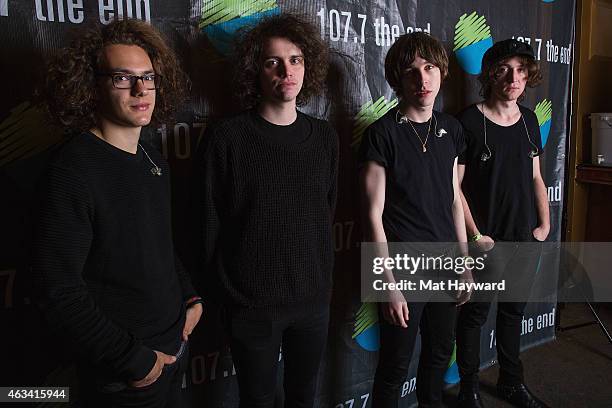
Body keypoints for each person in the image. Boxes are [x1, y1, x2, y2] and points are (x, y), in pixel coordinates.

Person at [33, 18, 202, 408]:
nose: (141, 89)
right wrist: (135, 361)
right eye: (123, 78)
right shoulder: (73, 169)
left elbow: (157, 243)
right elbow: (57, 288)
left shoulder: (152, 159)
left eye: (149, 77)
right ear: (92, 85)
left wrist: (190, 295)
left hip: (175, 352)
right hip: (127, 377)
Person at [192, 14, 337, 408]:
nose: (286, 70)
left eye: (296, 60)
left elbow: (325, 215)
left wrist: (322, 285)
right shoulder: (228, 139)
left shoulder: (324, 137)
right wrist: (229, 297)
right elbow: (207, 225)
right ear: (255, 71)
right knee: (256, 400)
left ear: (308, 68)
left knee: (302, 397)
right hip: (251, 308)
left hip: (312, 303)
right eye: (273, 61)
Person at [359, 32, 470, 407]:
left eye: (429, 68)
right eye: (411, 72)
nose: (422, 80)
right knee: (394, 365)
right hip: (402, 267)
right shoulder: (382, 134)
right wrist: (388, 284)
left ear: (441, 73)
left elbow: (454, 201)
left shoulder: (453, 130)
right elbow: (373, 215)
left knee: (439, 355)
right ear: (397, 79)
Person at [455, 39, 550, 408]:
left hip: (523, 237)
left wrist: (543, 225)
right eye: (505, 69)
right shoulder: (468, 120)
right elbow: (454, 188)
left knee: (513, 312)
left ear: (529, 75)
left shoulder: (528, 120)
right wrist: (477, 235)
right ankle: (469, 388)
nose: (514, 77)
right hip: (486, 243)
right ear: (490, 74)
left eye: (521, 70)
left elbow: (536, 177)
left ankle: (512, 382)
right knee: (475, 315)